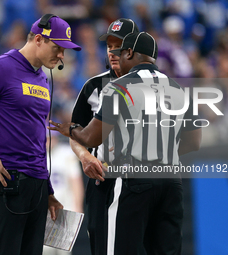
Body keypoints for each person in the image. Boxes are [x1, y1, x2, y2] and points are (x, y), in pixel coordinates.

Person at [49, 31, 202, 254]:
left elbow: (92, 137)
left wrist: (71, 130)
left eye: (120, 52)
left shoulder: (119, 86)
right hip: (171, 181)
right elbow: (194, 141)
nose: (116, 56)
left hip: (132, 178)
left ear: (130, 53)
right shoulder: (178, 88)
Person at [0, 14, 81, 255]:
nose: (62, 56)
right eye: (58, 48)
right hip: (6, 180)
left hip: (37, 184)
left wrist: (48, 190)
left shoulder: (43, 77)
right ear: (39, 39)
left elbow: (36, 137)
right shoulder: (1, 68)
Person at [69, 18, 139, 254]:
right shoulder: (93, 86)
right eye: (109, 45)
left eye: (118, 45)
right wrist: (84, 156)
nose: (112, 51)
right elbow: (74, 132)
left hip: (142, 181)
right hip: (103, 180)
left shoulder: (154, 85)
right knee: (101, 245)